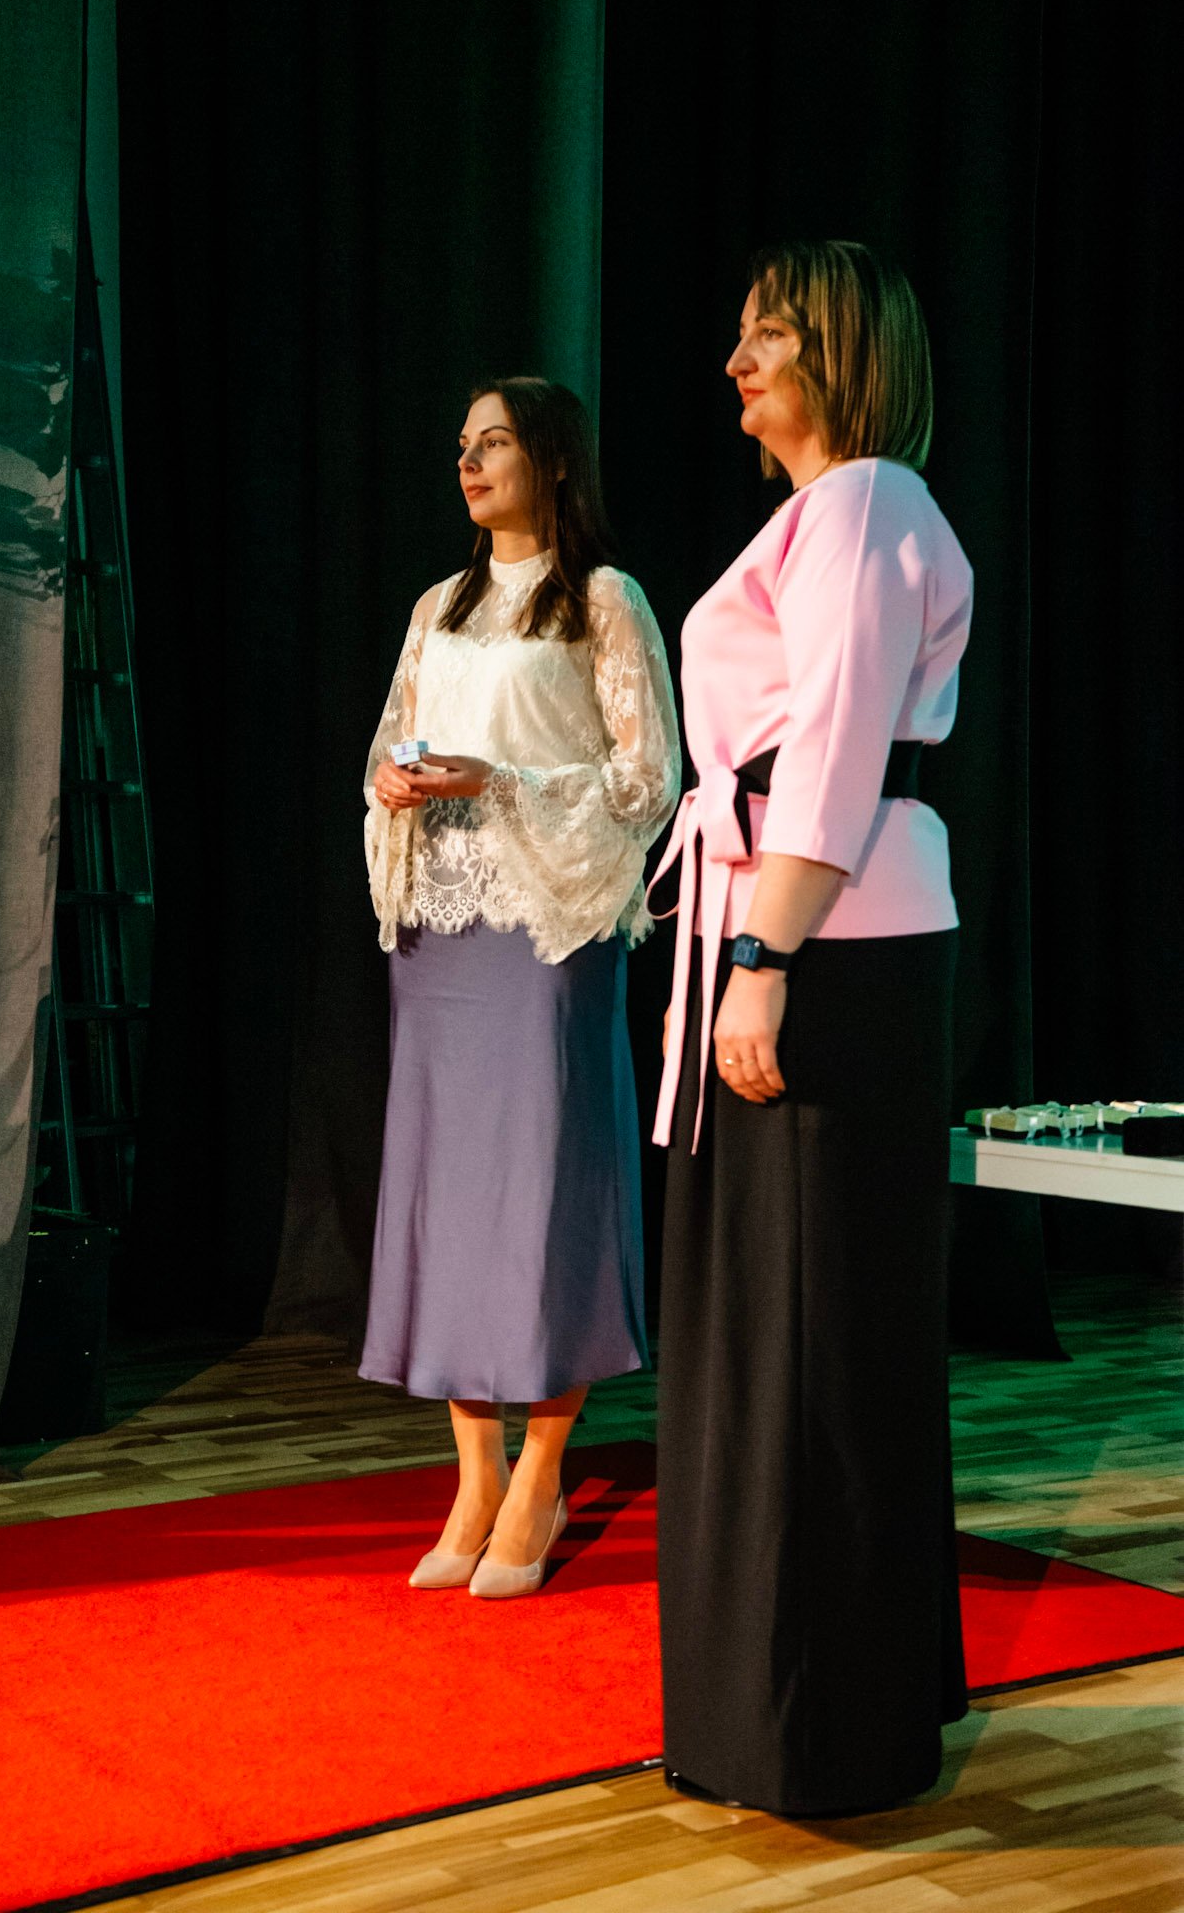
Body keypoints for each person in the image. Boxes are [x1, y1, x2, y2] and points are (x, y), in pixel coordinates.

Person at [653, 240, 973, 1812]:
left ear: (839, 349)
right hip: (801, 926)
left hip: (822, 941)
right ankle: (816, 1699)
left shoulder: (863, 502)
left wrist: (764, 953)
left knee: (805, 1335)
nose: (736, 359)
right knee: (796, 1327)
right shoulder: (828, 512)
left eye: (765, 333)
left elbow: (836, 740)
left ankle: (814, 1725)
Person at [361, 375, 680, 1599]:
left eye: (492, 441)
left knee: (545, 1188)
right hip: (441, 928)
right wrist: (397, 780)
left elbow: (648, 778)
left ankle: (543, 1471)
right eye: (462, 443)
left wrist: (496, 778)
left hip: (549, 928)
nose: (469, 460)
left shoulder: (603, 600)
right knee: (449, 1190)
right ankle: (474, 1476)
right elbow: (391, 738)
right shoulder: (436, 603)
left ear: (550, 459)